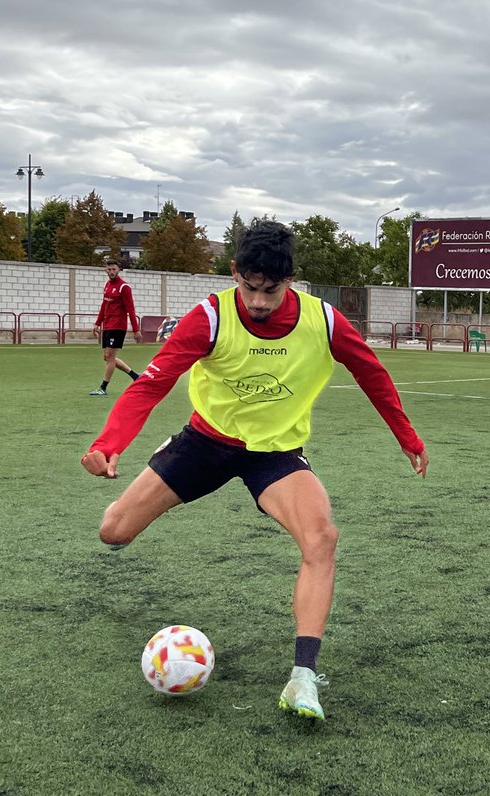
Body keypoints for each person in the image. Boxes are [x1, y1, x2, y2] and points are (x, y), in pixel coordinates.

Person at [80, 220, 429, 720]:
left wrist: (406, 436)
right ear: (234, 273)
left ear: (291, 279)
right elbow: (150, 385)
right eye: (250, 287)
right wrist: (108, 444)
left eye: (272, 289)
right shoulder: (210, 318)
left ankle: (302, 678)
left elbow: (370, 370)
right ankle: (163, 462)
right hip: (205, 443)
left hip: (276, 455)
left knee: (322, 537)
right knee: (112, 532)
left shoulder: (323, 320)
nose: (260, 302)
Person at [90, 257, 141, 396]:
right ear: (105, 269)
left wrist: (136, 329)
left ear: (119, 269)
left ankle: (103, 387)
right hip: (107, 325)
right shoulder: (107, 285)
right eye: (109, 269)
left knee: (110, 356)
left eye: (114, 269)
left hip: (118, 326)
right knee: (107, 358)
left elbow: (131, 309)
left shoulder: (124, 287)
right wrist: (97, 322)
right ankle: (135, 376)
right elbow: (104, 305)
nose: (111, 272)